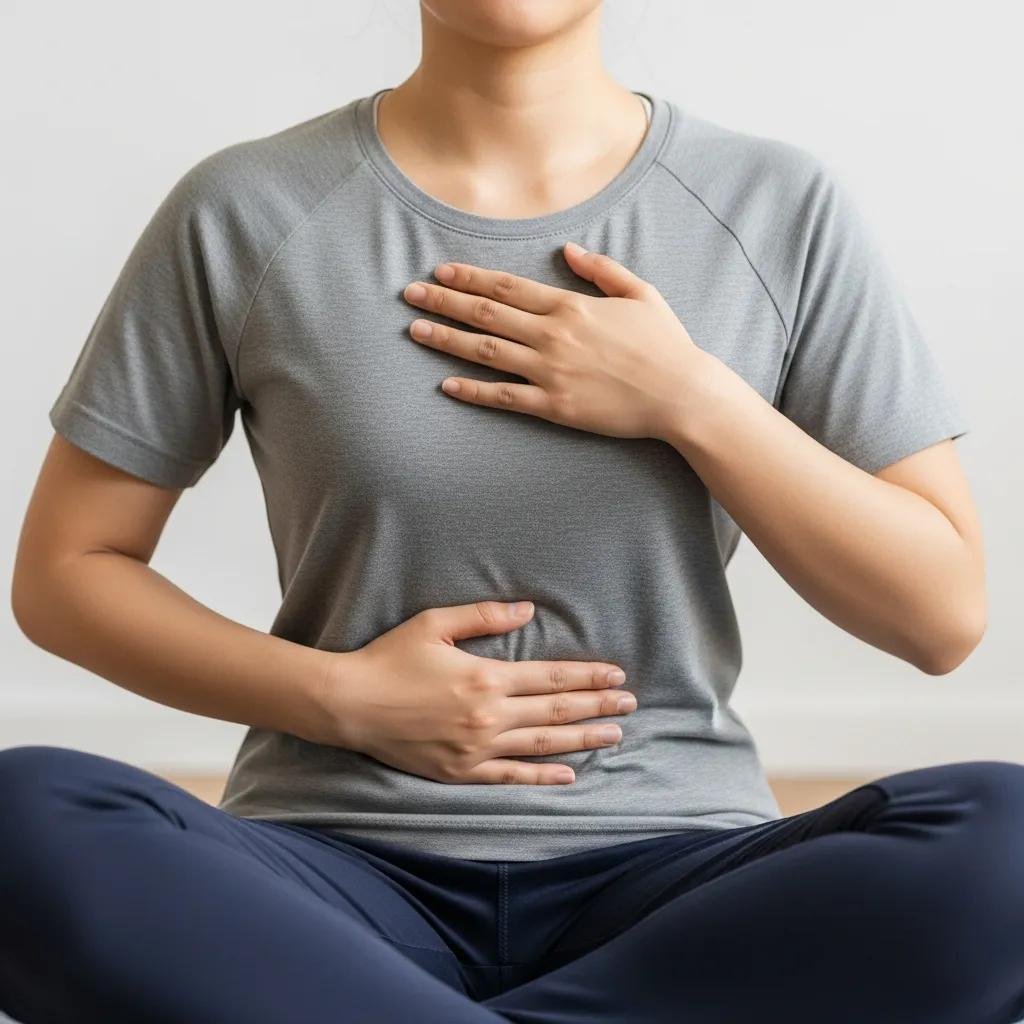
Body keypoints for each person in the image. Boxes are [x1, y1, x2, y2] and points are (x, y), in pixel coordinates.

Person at [3, 2, 1022, 1022]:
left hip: (675, 880)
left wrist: (692, 399)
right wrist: (341, 698)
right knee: (21, 816)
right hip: (325, 875)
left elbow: (936, 615)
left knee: (1004, 836)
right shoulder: (243, 207)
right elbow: (67, 571)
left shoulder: (775, 206)